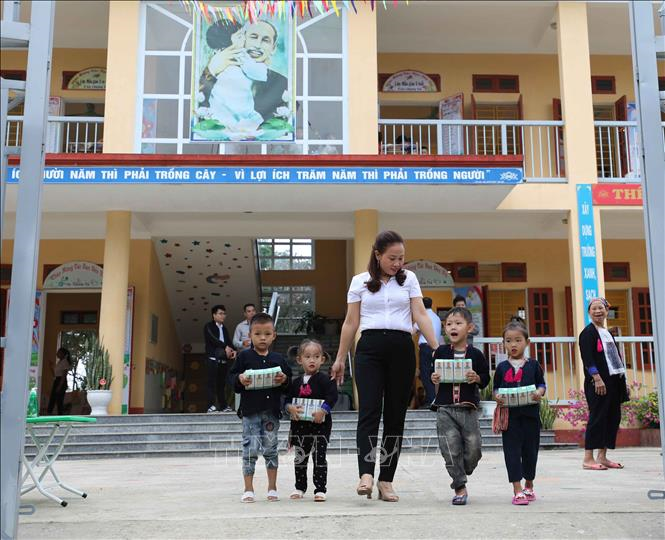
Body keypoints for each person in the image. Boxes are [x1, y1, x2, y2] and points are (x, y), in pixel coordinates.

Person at [331, 230, 439, 502]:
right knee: (369, 411)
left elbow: (420, 314)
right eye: (392, 258)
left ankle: (386, 480)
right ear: (377, 255)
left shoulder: (409, 279)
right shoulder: (359, 281)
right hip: (369, 349)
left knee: (395, 417)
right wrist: (340, 357)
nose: (397, 263)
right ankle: (366, 474)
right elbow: (351, 322)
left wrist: (438, 349)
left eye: (401, 258)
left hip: (402, 349)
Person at [431, 306, 490, 505]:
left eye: (458, 323)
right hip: (445, 408)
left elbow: (486, 378)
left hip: (468, 408)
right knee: (450, 448)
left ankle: (463, 470)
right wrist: (434, 377)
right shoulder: (440, 352)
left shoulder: (476, 354)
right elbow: (432, 374)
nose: (453, 327)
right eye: (449, 324)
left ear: (470, 328)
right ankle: (459, 487)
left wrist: (477, 378)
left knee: (474, 448)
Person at [230, 313, 291, 503]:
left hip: (271, 412)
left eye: (267, 334)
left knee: (271, 449)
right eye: (257, 334)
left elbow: (289, 383)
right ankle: (248, 489)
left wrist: (284, 379)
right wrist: (239, 379)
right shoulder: (243, 357)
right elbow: (231, 379)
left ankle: (272, 488)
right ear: (250, 335)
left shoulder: (278, 358)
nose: (262, 338)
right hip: (250, 413)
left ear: (274, 335)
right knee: (250, 449)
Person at [493, 322, 546, 505]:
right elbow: (495, 389)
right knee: (512, 452)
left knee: (530, 451)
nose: (513, 344)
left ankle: (529, 485)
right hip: (510, 418)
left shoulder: (534, 365)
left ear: (527, 342)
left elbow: (542, 384)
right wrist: (497, 396)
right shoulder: (501, 367)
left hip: (531, 416)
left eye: (517, 340)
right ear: (503, 343)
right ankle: (517, 489)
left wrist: (539, 392)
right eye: (508, 341)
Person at [201, 19, 288, 126]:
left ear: (273, 48)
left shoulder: (282, 83)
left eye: (265, 40)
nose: (258, 45)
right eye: (253, 37)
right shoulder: (215, 68)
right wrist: (211, 70)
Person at [578, 297, 629, 470]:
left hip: (613, 381)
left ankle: (602, 456)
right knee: (597, 418)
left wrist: (622, 381)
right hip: (598, 383)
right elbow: (588, 359)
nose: (598, 311)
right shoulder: (588, 333)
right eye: (594, 309)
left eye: (601, 308)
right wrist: (597, 378)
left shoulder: (607, 333)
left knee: (612, 418)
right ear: (589, 312)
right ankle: (588, 458)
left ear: (607, 311)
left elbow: (615, 358)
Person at [285, 339, 338, 502]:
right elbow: (287, 400)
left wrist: (323, 410)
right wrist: (290, 408)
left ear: (322, 359)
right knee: (300, 457)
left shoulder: (326, 380)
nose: (312, 360)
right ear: (299, 359)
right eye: (307, 356)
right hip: (300, 427)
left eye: (316, 356)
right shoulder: (295, 382)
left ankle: (320, 489)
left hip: (320, 426)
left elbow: (332, 397)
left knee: (319, 457)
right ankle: (300, 487)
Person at [198, 21, 267, 132]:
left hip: (239, 99)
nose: (244, 39)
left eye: (243, 35)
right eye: (239, 36)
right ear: (225, 42)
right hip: (226, 100)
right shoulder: (235, 54)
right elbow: (257, 73)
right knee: (228, 114)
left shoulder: (239, 55)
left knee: (237, 114)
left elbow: (258, 73)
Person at [203, 305, 236, 413]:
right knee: (211, 383)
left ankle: (223, 406)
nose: (223, 316)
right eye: (220, 313)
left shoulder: (224, 328)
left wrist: (234, 350)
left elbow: (228, 341)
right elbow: (213, 339)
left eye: (224, 314)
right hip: (212, 359)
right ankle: (210, 406)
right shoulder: (208, 326)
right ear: (214, 315)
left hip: (223, 360)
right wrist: (225, 347)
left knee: (221, 384)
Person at [414, 297, 442, 405]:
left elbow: (412, 331)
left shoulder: (422, 316)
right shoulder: (437, 318)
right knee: (433, 374)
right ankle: (434, 397)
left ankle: (431, 398)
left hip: (425, 348)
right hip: (436, 348)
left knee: (425, 374)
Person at [47, 348, 71, 415]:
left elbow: (64, 376)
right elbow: (55, 375)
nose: (57, 353)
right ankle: (49, 413)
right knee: (53, 398)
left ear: (63, 354)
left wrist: (59, 386)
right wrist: (51, 367)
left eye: (59, 352)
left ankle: (60, 415)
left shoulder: (65, 362)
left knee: (59, 399)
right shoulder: (59, 362)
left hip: (61, 381)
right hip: (57, 380)